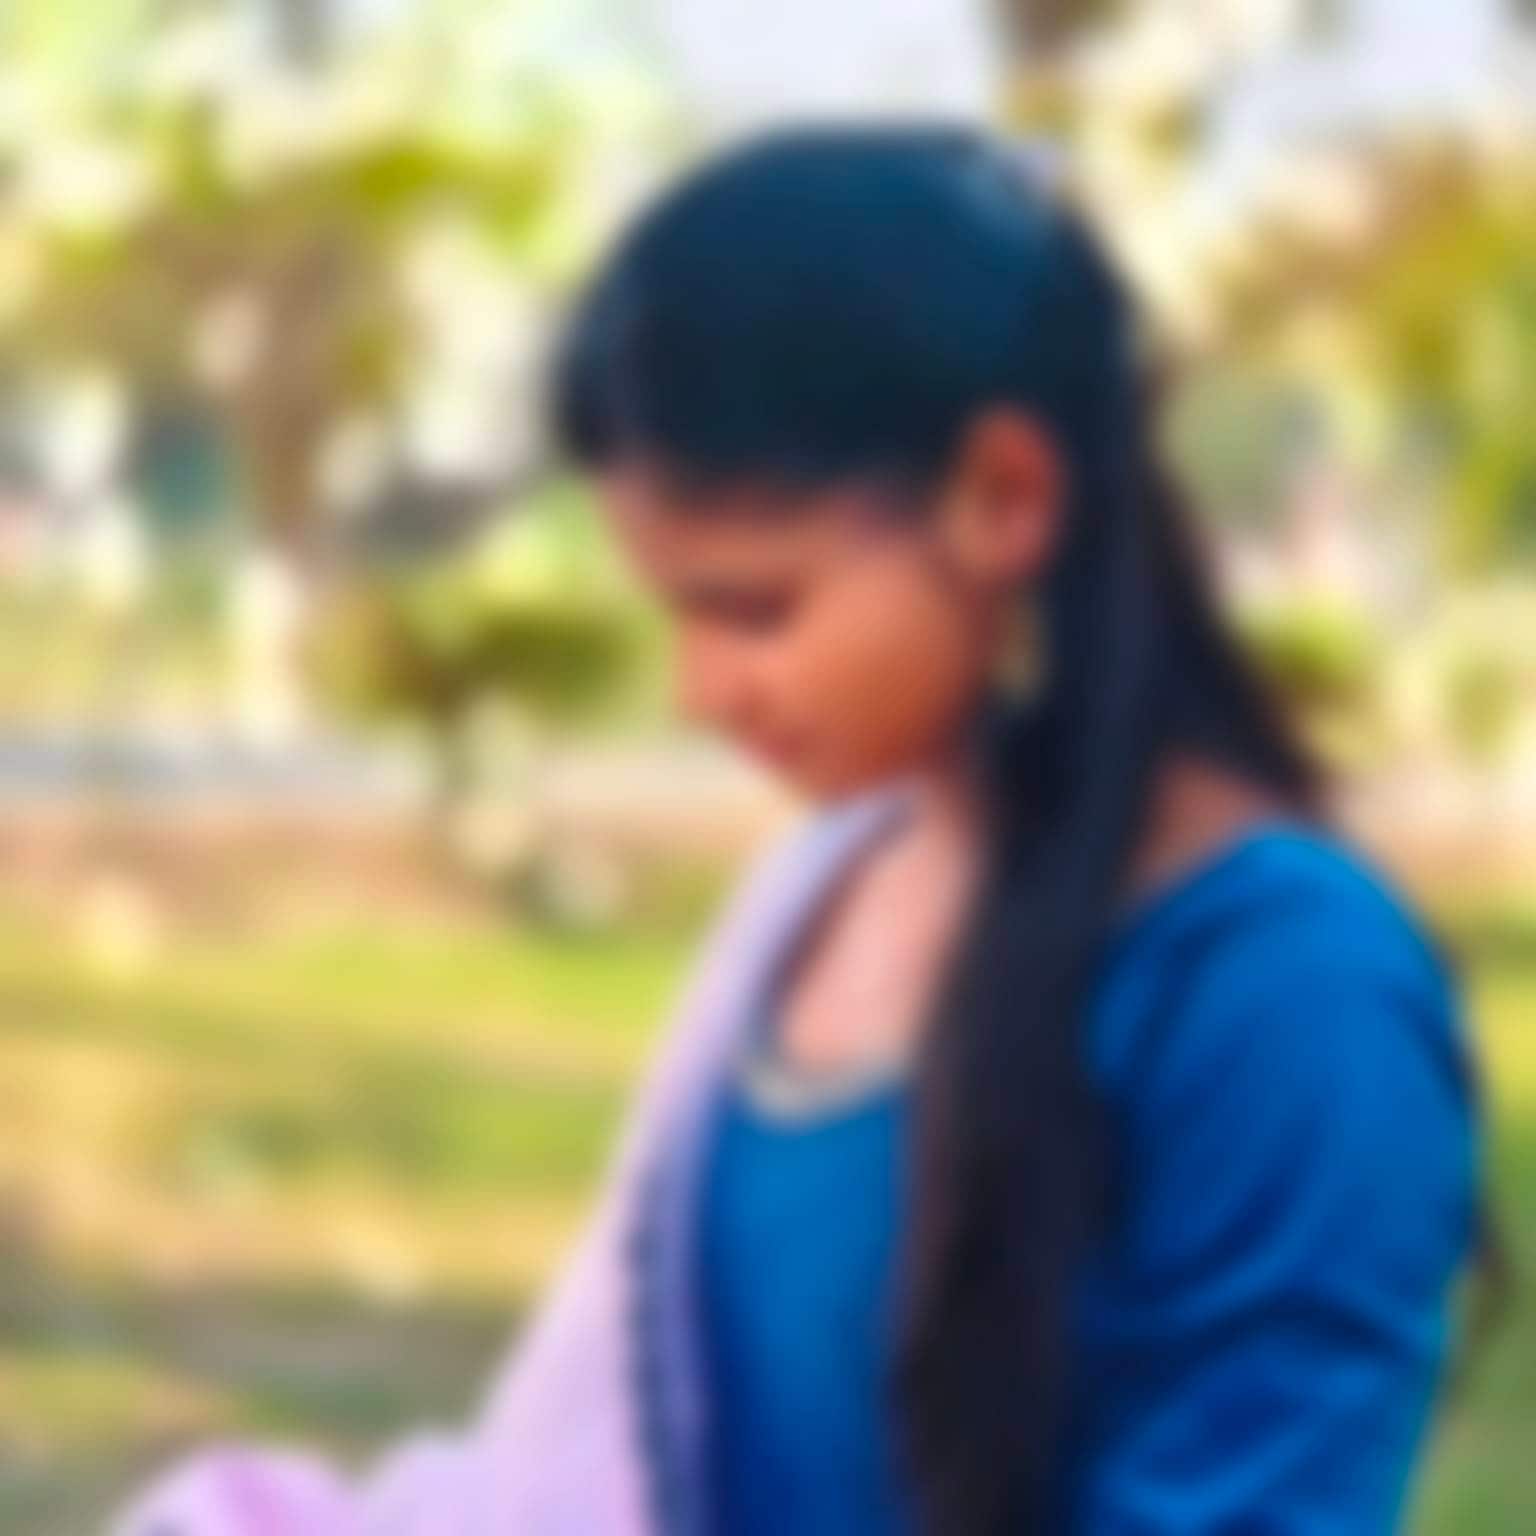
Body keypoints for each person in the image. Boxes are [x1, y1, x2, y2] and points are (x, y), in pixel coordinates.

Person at [116, 123, 1491, 1536]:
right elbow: (586, 1476)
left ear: (1002, 498)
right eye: (676, 614)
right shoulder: (826, 887)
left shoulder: (1285, 986)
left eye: (756, 609)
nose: (701, 691)